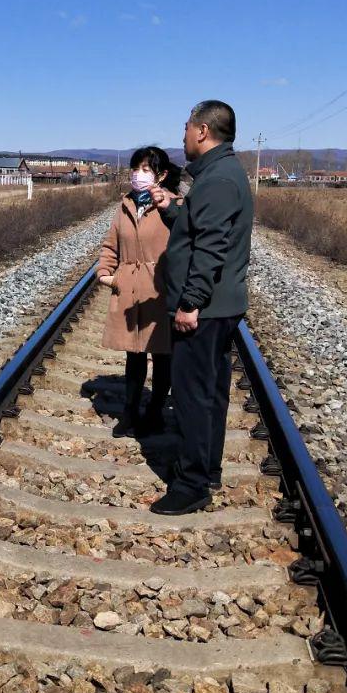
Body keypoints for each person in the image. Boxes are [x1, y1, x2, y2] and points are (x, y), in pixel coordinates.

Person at [149, 100, 253, 516]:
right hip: (216, 306)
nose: (184, 135)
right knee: (209, 392)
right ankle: (206, 468)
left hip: (205, 309)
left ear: (203, 131)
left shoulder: (218, 180)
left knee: (193, 395)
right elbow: (200, 229)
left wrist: (189, 302)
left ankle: (192, 484)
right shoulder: (218, 175)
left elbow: (210, 248)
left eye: (187, 127)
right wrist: (173, 209)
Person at [96, 146, 180, 438]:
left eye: (146, 169)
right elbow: (111, 245)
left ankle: (155, 411)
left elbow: (184, 247)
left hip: (160, 289)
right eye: (136, 169)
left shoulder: (173, 206)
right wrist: (107, 273)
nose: (138, 175)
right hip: (131, 288)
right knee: (133, 354)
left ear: (162, 175)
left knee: (161, 354)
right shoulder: (125, 205)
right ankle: (129, 412)